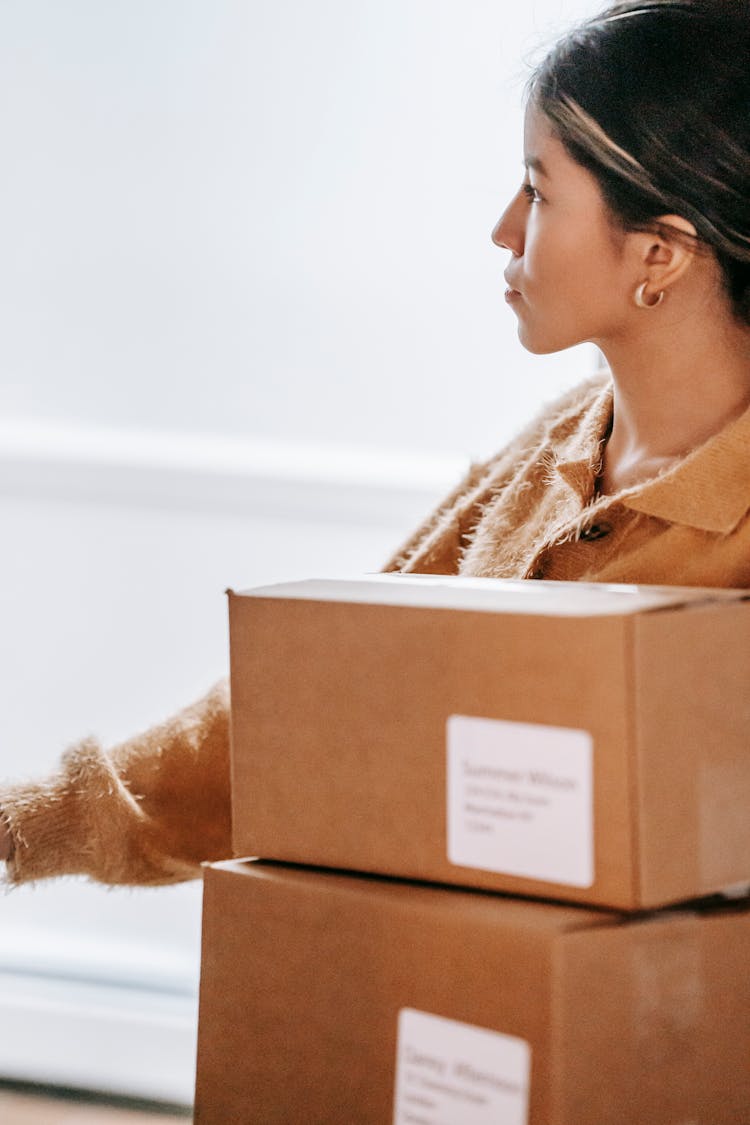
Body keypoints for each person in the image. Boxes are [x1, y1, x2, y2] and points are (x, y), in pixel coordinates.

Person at [2, 0, 749, 886]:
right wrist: (26, 827)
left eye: (540, 192)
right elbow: (326, 694)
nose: (505, 228)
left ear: (658, 255)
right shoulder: (557, 445)